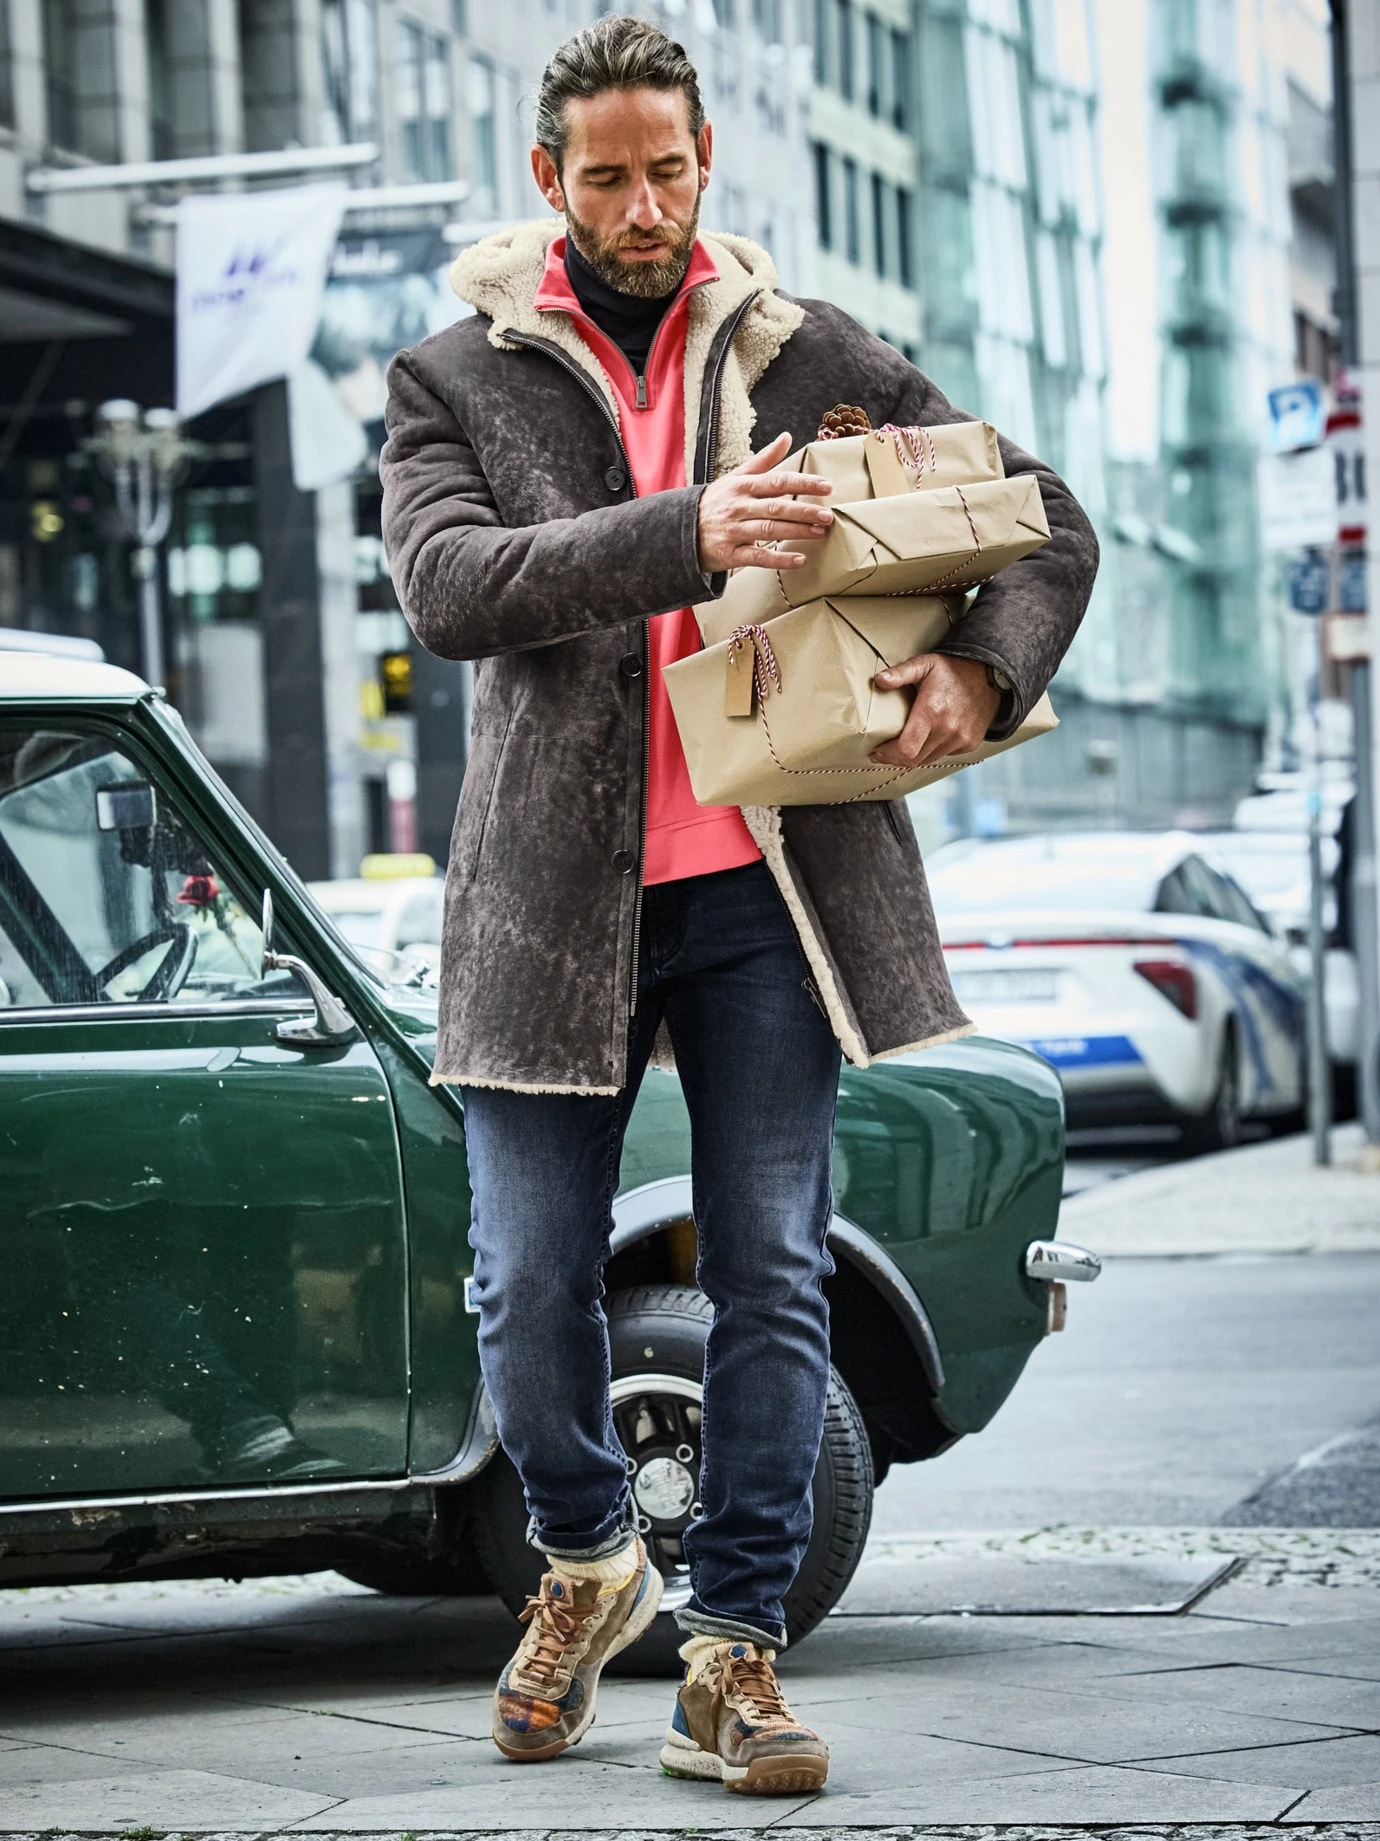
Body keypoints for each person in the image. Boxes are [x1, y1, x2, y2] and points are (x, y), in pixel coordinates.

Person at [381, 15, 1098, 1795]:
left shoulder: (816, 353)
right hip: (546, 908)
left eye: (668, 171)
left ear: (706, 162)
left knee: (774, 1269)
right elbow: (451, 589)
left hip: (771, 890)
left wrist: (979, 673)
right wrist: (689, 530)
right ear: (549, 180)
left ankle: (734, 1653)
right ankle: (584, 1557)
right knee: (524, 1281)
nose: (643, 206)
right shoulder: (451, 376)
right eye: (608, 177)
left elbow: (1047, 522)